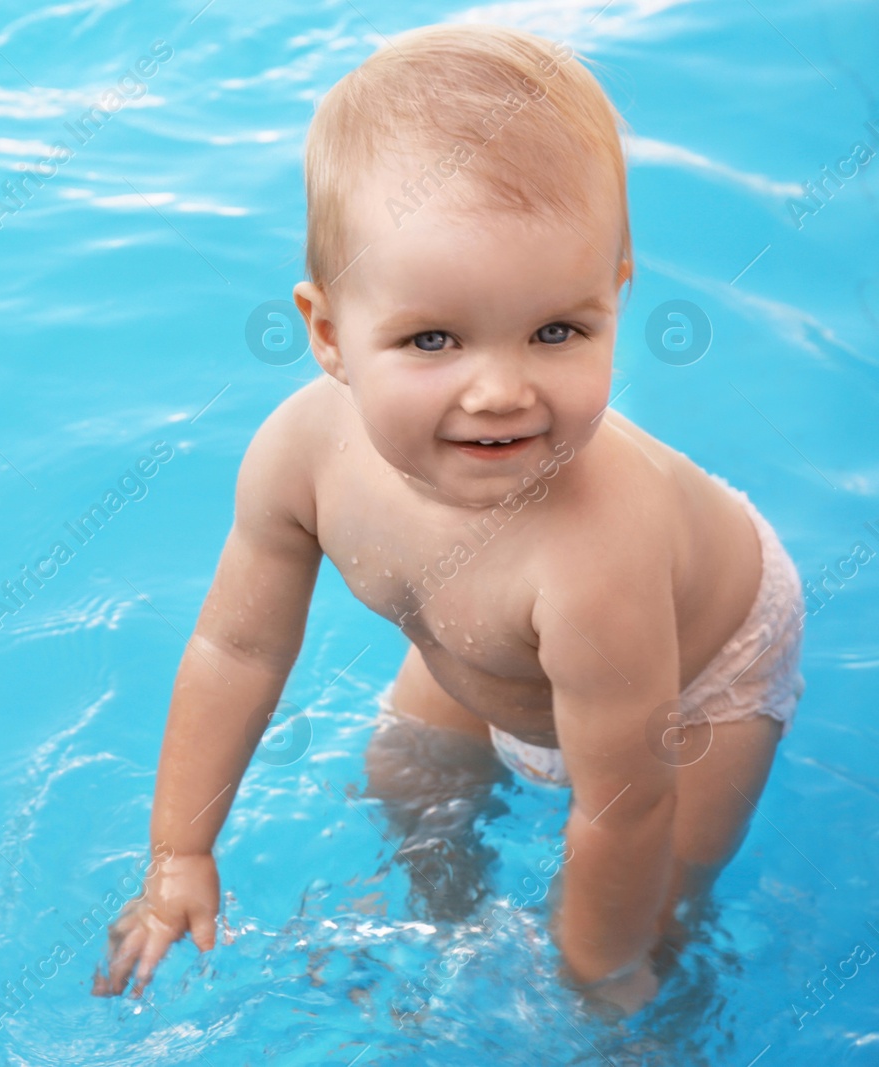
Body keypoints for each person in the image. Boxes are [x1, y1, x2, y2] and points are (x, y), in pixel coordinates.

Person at [91, 23, 805, 1016]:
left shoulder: (597, 552)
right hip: (479, 635)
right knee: (403, 783)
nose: (500, 390)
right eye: (432, 338)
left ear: (616, 299)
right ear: (331, 335)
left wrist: (593, 979)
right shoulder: (301, 454)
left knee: (657, 909)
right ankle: (441, 938)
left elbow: (621, 805)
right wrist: (179, 849)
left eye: (558, 329)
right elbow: (236, 646)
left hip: (698, 670)